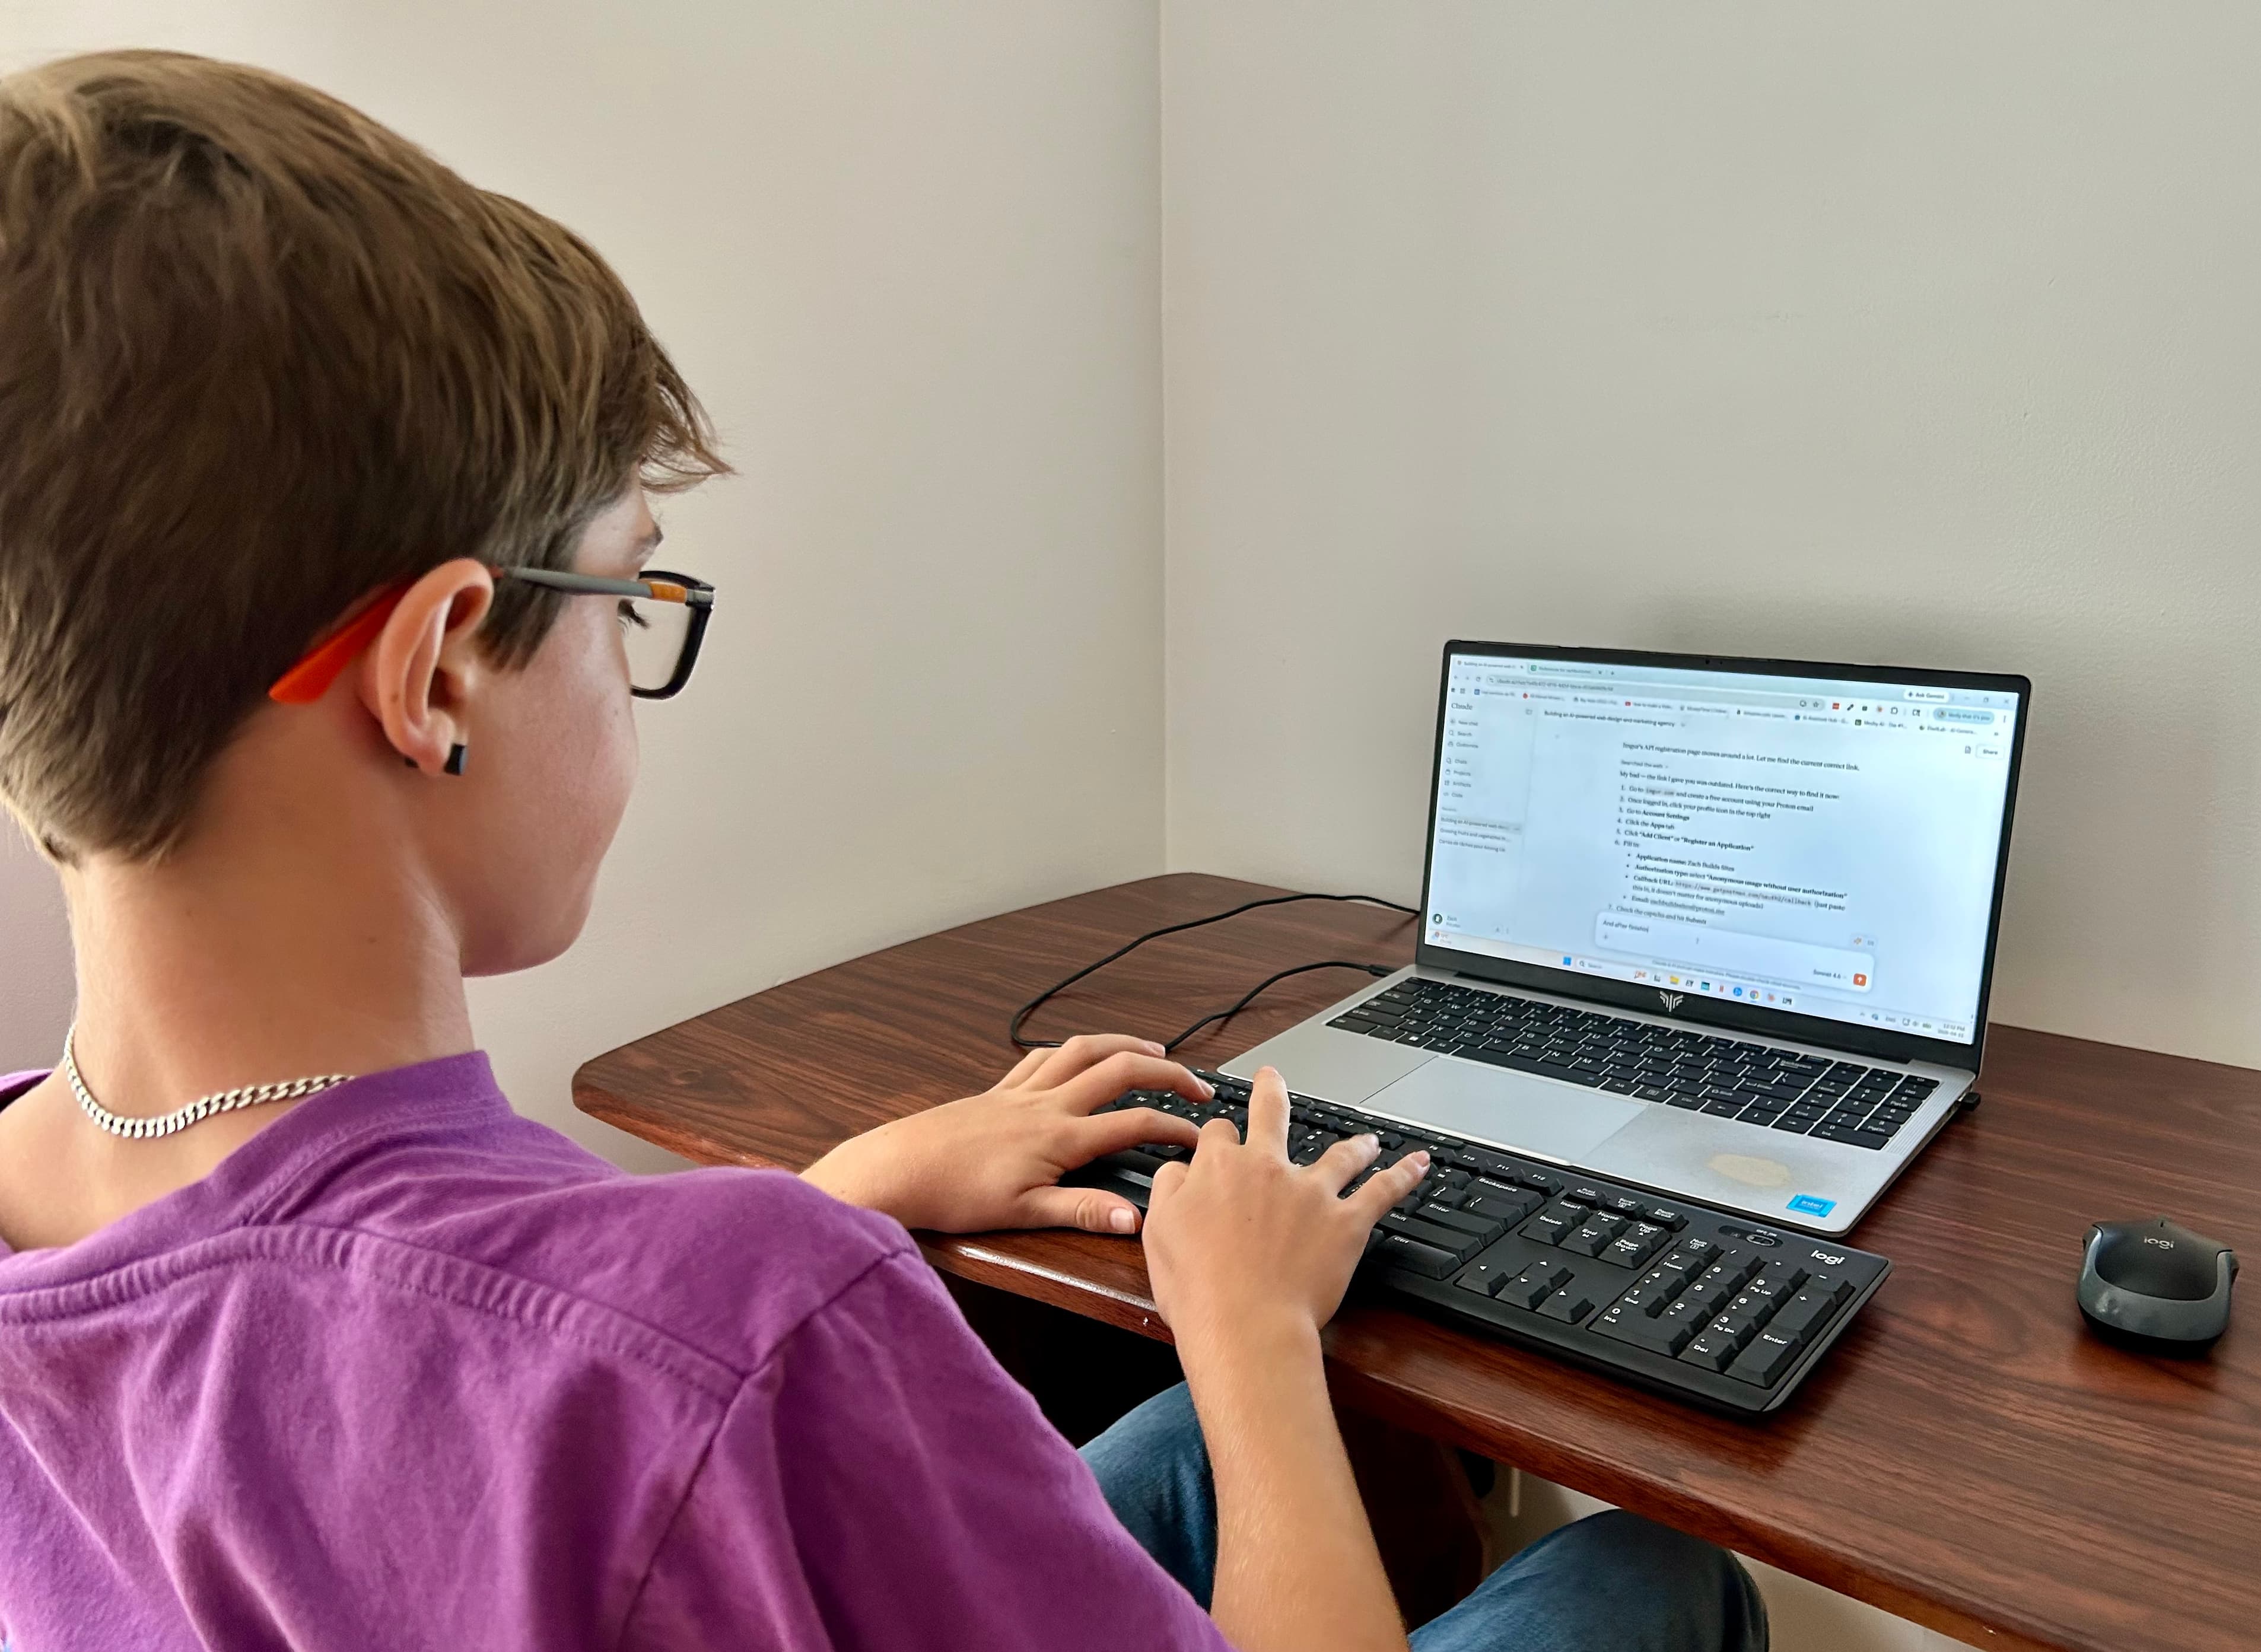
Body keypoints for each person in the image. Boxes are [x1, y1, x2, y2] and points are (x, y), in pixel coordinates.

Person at [0, 50, 1766, 1652]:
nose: (634, 663)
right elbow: (633, 1374)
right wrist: (1254, 1332)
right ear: (439, 665)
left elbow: (486, 1387)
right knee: (1648, 1575)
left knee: (1180, 1461)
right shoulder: (758, 1324)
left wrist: (817, 1197)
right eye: (631, 594)